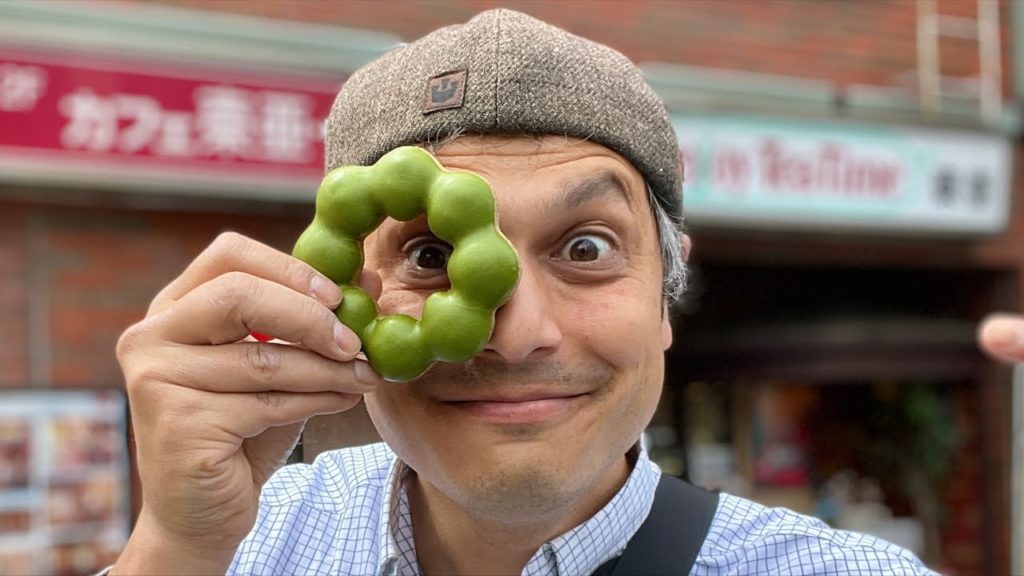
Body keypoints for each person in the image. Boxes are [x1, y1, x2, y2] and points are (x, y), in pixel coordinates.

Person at [107, 8, 1016, 576]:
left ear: (668, 296)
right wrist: (172, 553)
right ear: (338, 288)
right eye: (428, 255)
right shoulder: (253, 544)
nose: (515, 336)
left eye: (585, 246)